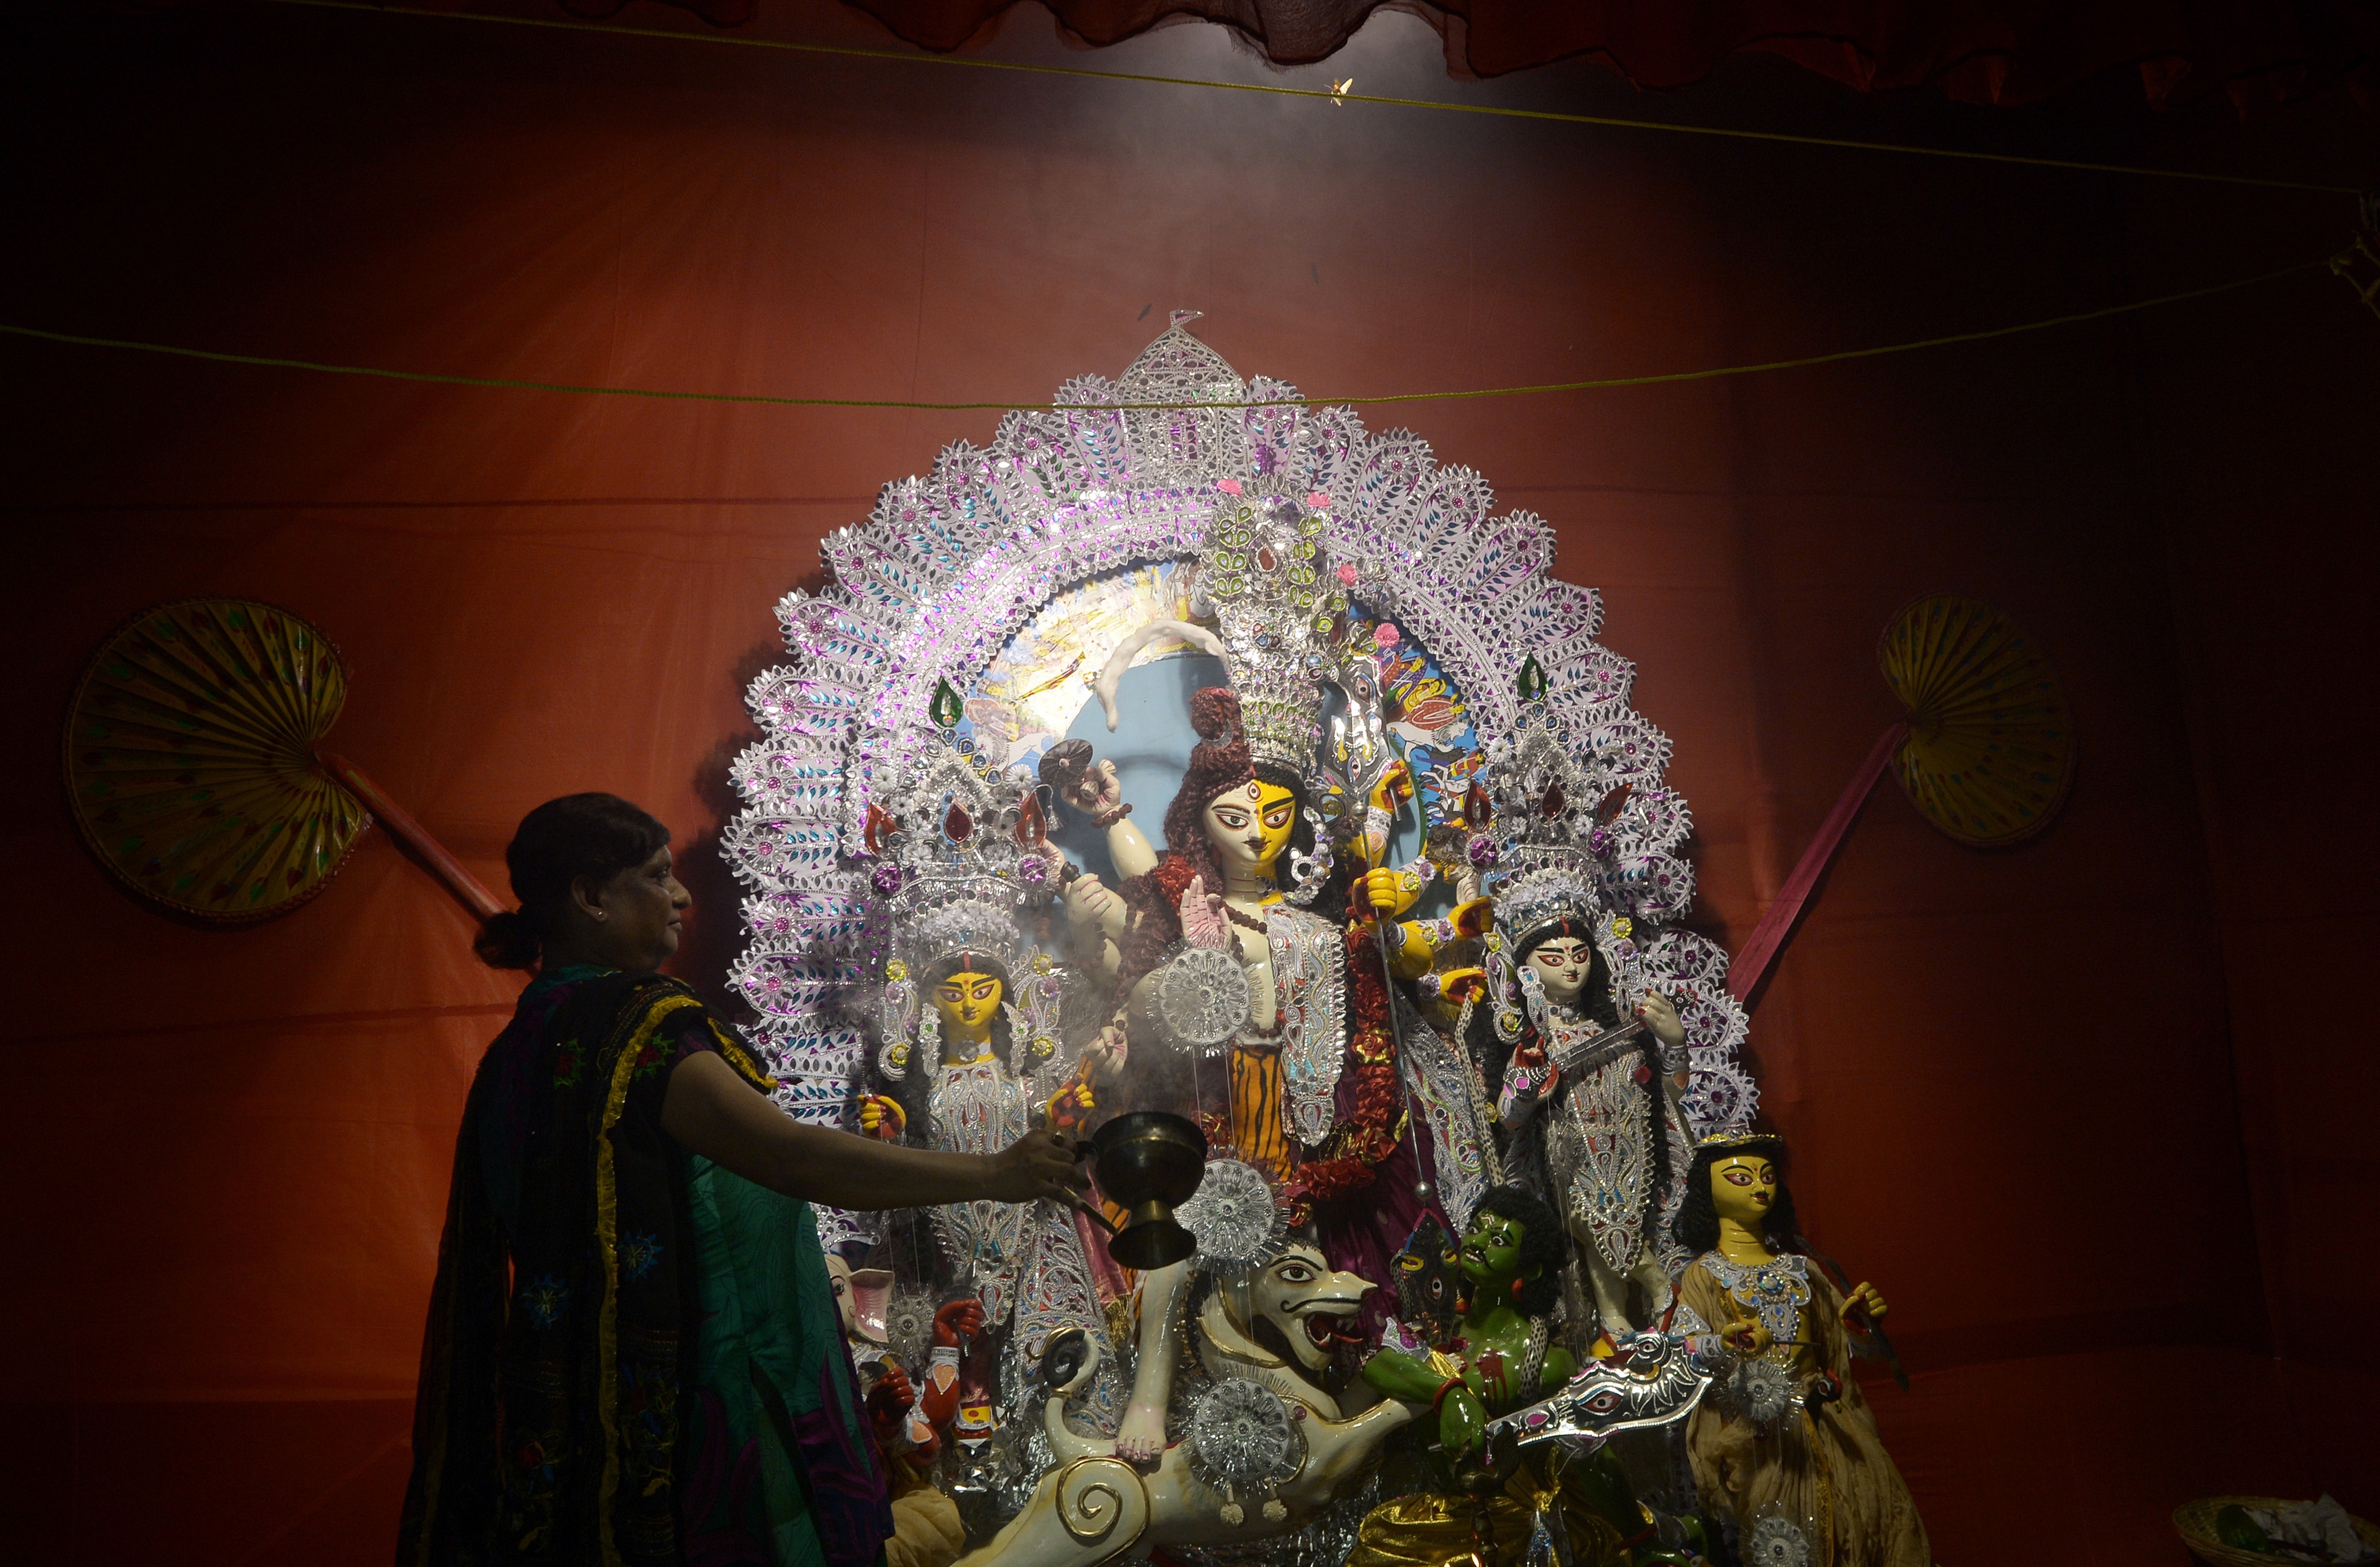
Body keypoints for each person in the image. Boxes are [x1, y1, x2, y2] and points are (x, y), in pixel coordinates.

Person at [399, 793, 1086, 1567]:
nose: (683, 894)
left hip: (567, 1411)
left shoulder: (520, 1046)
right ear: (591, 896)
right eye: (657, 875)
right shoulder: (643, 1026)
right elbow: (792, 1157)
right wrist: (996, 1170)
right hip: (696, 1405)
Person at [1671, 1134, 1930, 1567]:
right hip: (1761, 1437)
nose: (1759, 1186)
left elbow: (1843, 1349)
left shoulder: (1802, 1268)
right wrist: (1725, 1343)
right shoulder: (1704, 1276)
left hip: (1828, 1424)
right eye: (1740, 1176)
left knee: (1869, 1522)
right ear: (1708, 1190)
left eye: (1768, 1176)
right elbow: (1683, 1351)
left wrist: (1859, 1326)